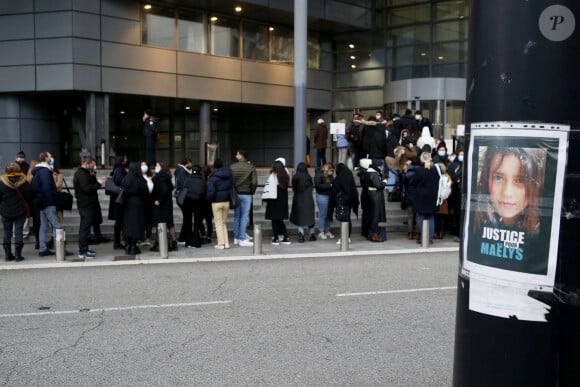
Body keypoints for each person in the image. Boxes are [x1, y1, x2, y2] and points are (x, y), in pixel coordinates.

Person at [473, 146, 545, 231]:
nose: (507, 192)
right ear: (487, 179)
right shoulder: (475, 222)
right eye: (499, 177)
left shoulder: (546, 232)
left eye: (520, 180)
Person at [73, 156, 106, 259]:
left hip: (88, 204)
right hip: (85, 204)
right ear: (87, 164)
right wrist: (99, 183)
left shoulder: (85, 173)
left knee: (86, 227)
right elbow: (87, 188)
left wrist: (94, 176)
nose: (93, 167)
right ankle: (83, 251)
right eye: (92, 165)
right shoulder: (81, 174)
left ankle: (85, 248)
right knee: (84, 228)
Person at [31, 151, 62, 256]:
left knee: (43, 226)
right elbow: (46, 188)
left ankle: (43, 249)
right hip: (47, 202)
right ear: (46, 158)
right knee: (57, 225)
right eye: (50, 156)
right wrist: (51, 201)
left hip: (41, 202)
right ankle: (60, 248)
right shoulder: (45, 171)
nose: (52, 158)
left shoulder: (39, 171)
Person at [0, 163, 32, 261]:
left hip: (5, 210)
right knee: (18, 232)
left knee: (7, 232)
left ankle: (7, 255)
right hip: (19, 210)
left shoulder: (2, 181)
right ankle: (18, 255)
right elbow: (29, 195)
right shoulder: (23, 181)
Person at [409, 152, 440, 244]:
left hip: (421, 196)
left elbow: (413, 182)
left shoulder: (419, 170)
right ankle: (429, 238)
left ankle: (423, 237)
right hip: (433, 196)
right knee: (431, 216)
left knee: (421, 216)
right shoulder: (435, 169)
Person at [121, 162, 150, 255]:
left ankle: (127, 245)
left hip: (127, 204)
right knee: (136, 225)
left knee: (127, 225)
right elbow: (146, 193)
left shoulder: (126, 179)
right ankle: (133, 246)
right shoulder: (140, 180)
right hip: (138, 204)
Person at [230, 149, 257, 247]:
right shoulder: (251, 167)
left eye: (237, 154)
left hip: (236, 194)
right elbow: (254, 182)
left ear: (241, 156)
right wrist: (251, 191)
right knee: (244, 216)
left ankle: (236, 238)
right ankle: (242, 238)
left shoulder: (232, 167)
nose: (236, 155)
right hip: (246, 193)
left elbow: (230, 180)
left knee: (237, 216)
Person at [150, 161, 178, 252]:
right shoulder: (164, 177)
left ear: (162, 167)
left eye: (157, 165)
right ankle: (171, 243)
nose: (155, 167)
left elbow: (164, 190)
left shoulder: (161, 178)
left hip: (162, 205)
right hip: (166, 204)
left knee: (162, 224)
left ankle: (161, 243)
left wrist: (159, 200)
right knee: (168, 223)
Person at [206, 158, 233, 249]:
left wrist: (208, 200)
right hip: (226, 201)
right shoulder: (228, 175)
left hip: (216, 202)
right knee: (223, 223)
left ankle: (221, 243)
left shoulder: (213, 177)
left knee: (218, 223)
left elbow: (211, 192)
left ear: (214, 167)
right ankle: (226, 243)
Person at [330, 162, 359, 244]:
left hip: (342, 201)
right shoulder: (349, 174)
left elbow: (335, 188)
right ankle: (348, 237)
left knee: (344, 219)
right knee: (348, 218)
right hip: (350, 200)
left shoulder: (340, 177)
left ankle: (344, 237)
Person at [264, 159, 291, 245]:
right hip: (283, 199)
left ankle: (275, 238)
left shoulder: (273, 174)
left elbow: (269, 188)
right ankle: (285, 237)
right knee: (280, 220)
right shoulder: (286, 174)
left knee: (274, 220)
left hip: (274, 199)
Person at [360, 161, 388, 242]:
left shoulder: (366, 173)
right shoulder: (374, 174)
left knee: (371, 214)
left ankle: (369, 233)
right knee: (376, 215)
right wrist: (384, 182)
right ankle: (375, 235)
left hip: (369, 194)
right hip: (375, 195)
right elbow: (378, 185)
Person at [290, 162, 316, 242]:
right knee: (310, 218)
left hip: (298, 200)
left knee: (300, 218)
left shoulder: (295, 177)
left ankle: (301, 235)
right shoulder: (309, 177)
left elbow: (294, 188)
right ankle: (312, 235)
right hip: (308, 200)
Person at [182, 165, 207, 248]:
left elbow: (184, 190)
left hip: (187, 202)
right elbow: (205, 192)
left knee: (188, 221)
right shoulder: (202, 180)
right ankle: (196, 241)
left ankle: (188, 241)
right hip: (199, 203)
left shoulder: (187, 180)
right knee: (197, 222)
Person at [108, 155, 127, 250]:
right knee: (119, 222)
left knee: (119, 222)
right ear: (122, 161)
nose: (127, 160)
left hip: (116, 199)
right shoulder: (120, 170)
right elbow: (120, 181)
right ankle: (117, 242)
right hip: (119, 199)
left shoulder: (117, 169)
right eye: (125, 158)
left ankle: (117, 242)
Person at [314, 163, 335, 239]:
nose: (332, 172)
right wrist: (330, 186)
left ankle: (327, 230)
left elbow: (333, 182)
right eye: (331, 170)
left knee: (329, 214)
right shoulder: (319, 175)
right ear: (327, 169)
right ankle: (321, 231)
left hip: (329, 196)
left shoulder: (330, 175)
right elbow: (318, 185)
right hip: (322, 196)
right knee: (323, 214)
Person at [174, 158, 193, 244]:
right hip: (183, 196)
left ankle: (183, 237)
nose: (191, 165)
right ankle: (183, 238)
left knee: (187, 217)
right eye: (190, 163)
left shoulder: (180, 170)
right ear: (187, 163)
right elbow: (185, 184)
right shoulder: (182, 172)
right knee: (187, 217)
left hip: (181, 196)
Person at [448, 148, 464, 242]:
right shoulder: (454, 165)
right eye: (460, 154)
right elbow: (451, 175)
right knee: (457, 213)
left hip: (461, 192)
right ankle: (458, 232)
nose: (461, 156)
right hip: (456, 192)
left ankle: (460, 233)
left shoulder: (466, 164)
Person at [140, 161, 154, 245]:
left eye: (145, 165)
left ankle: (148, 237)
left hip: (149, 201)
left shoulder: (151, 176)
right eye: (142, 165)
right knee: (142, 220)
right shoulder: (138, 176)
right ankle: (141, 237)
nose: (143, 167)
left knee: (149, 221)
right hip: (141, 201)